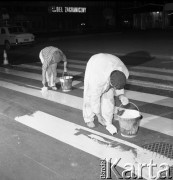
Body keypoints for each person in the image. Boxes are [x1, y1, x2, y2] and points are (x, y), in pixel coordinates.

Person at [83, 53, 129, 129]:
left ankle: (107, 119)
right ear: (109, 80)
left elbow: (119, 83)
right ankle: (88, 118)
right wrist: (98, 115)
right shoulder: (97, 78)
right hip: (95, 63)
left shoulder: (124, 72)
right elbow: (94, 97)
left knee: (109, 95)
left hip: (109, 62)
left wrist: (121, 95)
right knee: (89, 94)